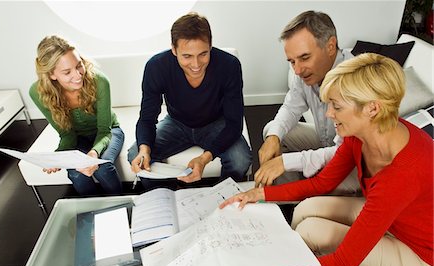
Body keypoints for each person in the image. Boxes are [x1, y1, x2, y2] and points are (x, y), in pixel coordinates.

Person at [220, 53, 434, 266]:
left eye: (337, 106)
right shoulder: (360, 136)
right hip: (396, 219)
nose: (328, 113)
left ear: (372, 109)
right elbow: (322, 183)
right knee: (305, 210)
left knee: (311, 231)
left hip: (422, 256)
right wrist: (259, 193)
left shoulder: (403, 173)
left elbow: (343, 263)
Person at [127, 12, 252, 184]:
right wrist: (144, 149)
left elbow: (234, 124)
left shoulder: (229, 65)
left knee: (240, 159)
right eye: (187, 56)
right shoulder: (156, 67)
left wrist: (205, 158)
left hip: (215, 123)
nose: (196, 64)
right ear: (174, 49)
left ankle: (224, 195)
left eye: (203, 54)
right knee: (136, 155)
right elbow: (147, 118)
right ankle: (165, 195)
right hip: (176, 124)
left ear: (210, 45)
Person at [256, 10, 357, 192]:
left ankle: (306, 199)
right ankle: (290, 196)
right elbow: (290, 108)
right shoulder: (304, 73)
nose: (297, 70)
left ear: (331, 46)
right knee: (273, 131)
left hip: (352, 163)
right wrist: (273, 137)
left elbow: (344, 153)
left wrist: (285, 162)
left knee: (327, 182)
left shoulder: (354, 81)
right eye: (292, 61)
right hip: (326, 142)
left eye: (304, 58)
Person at [30, 35, 124, 196]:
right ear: (52, 74)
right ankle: (92, 211)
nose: (78, 75)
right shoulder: (38, 93)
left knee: (103, 169)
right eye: (67, 72)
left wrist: (93, 153)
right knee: (76, 173)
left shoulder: (99, 81)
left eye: (79, 65)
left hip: (109, 131)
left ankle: (123, 208)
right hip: (78, 137)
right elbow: (66, 133)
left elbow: (104, 129)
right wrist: (58, 157)